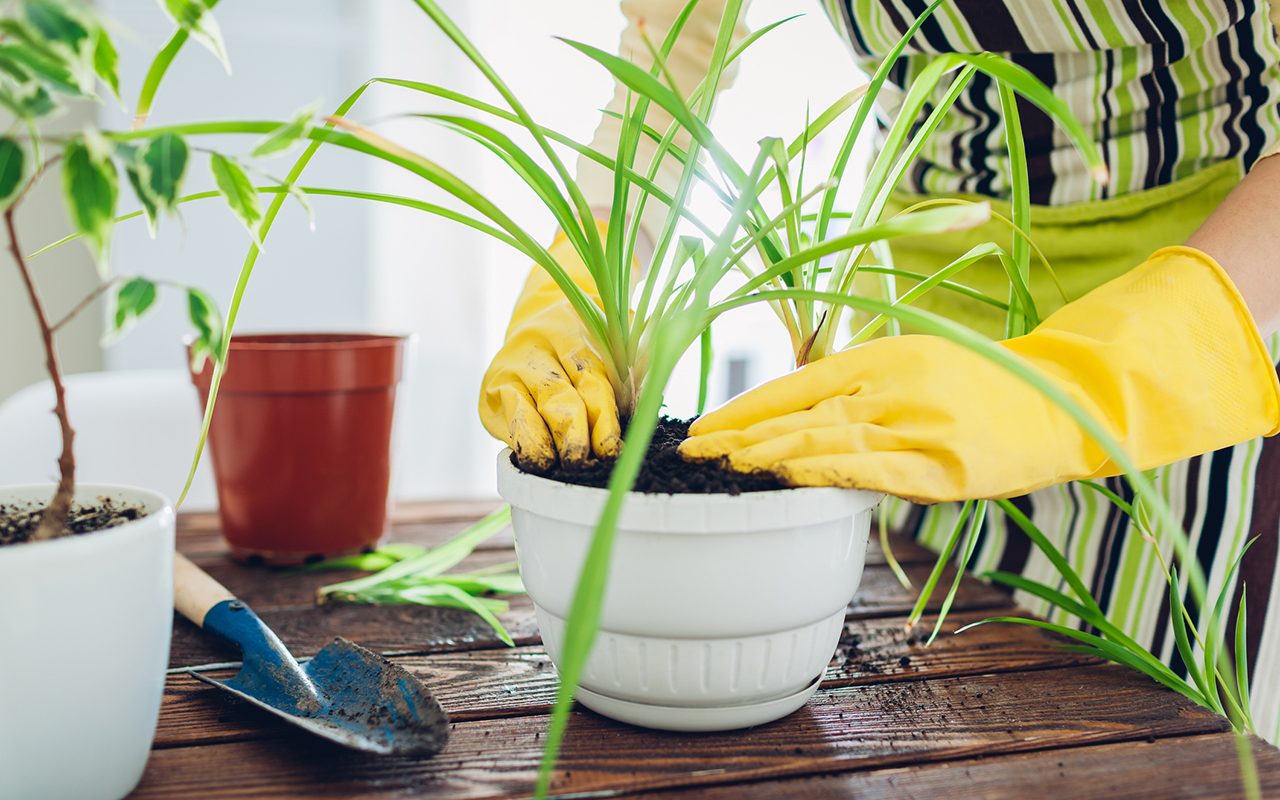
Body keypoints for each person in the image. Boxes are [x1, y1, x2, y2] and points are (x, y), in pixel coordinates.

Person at [479, 0, 1280, 740]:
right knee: (927, 699)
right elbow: (674, 42)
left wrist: (1095, 377)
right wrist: (587, 280)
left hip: (1199, 294)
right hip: (919, 297)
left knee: (1120, 731)